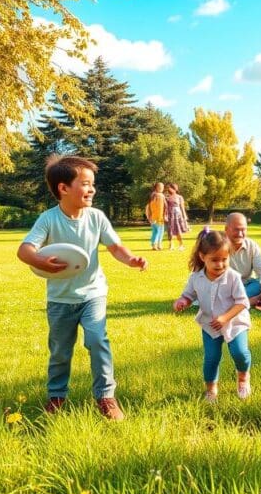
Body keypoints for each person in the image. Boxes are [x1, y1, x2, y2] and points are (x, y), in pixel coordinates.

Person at [17, 155, 148, 421]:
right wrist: (38, 259)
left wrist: (131, 259)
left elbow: (115, 247)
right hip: (60, 299)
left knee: (98, 340)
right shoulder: (48, 219)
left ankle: (106, 397)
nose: (92, 189)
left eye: (93, 184)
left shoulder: (97, 217)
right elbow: (24, 250)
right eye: (85, 184)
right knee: (60, 351)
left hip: (93, 293)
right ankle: (56, 398)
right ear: (63, 188)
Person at [174, 228, 252, 402]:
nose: (220, 264)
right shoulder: (196, 277)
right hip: (210, 324)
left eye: (224, 259)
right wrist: (182, 302)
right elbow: (188, 295)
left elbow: (242, 302)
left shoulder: (232, 277)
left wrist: (225, 317)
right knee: (211, 358)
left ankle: (243, 378)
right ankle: (211, 390)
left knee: (240, 352)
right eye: (214, 260)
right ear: (202, 257)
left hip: (234, 322)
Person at [225, 212, 261, 306]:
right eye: (236, 230)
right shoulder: (218, 246)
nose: (240, 234)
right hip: (225, 288)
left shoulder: (252, 245)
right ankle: (249, 301)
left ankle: (237, 301)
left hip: (246, 285)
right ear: (226, 230)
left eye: (243, 230)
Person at [165, 182, 189, 251]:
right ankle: (171, 245)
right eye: (168, 188)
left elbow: (182, 207)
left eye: (170, 187)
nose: (169, 189)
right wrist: (165, 215)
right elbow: (165, 208)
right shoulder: (167, 198)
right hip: (170, 216)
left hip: (178, 215)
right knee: (170, 230)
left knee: (178, 230)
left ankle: (181, 245)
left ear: (174, 189)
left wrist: (184, 216)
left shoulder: (179, 197)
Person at [145, 182, 167, 251]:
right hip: (158, 217)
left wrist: (149, 216)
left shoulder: (152, 195)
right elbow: (165, 206)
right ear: (157, 188)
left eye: (163, 187)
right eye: (161, 187)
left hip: (153, 217)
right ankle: (158, 244)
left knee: (155, 231)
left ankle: (154, 244)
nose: (162, 189)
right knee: (160, 231)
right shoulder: (160, 195)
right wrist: (165, 215)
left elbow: (148, 207)